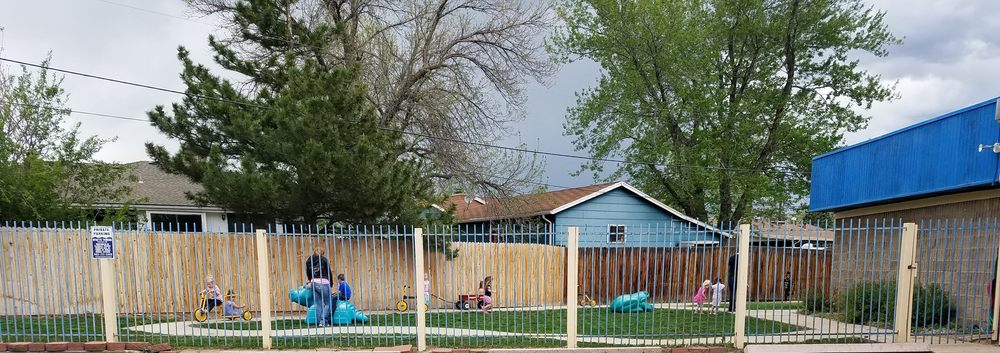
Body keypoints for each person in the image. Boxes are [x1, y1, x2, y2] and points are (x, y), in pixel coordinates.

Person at [305, 247, 332, 326]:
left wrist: (310, 280)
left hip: (314, 282)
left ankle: (319, 322)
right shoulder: (324, 260)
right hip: (324, 282)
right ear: (322, 253)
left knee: (318, 304)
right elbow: (329, 272)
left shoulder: (309, 261)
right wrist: (331, 283)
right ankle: (323, 321)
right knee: (327, 303)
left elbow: (308, 272)